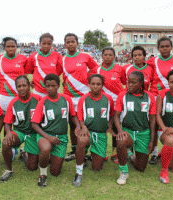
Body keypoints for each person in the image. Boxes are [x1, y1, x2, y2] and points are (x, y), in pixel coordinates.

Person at [31, 74, 81, 187]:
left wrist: (77, 125)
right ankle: (43, 175)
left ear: (58, 86)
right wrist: (49, 137)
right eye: (47, 86)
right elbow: (34, 124)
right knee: (45, 147)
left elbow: (73, 115)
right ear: (45, 87)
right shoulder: (43, 102)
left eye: (53, 85)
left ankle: (48, 157)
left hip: (61, 138)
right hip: (46, 135)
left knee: (55, 172)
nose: (50, 88)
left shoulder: (66, 99)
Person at [113, 71, 156, 185]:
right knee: (121, 139)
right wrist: (120, 131)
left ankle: (129, 154)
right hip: (129, 132)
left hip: (144, 133)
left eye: (133, 82)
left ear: (141, 83)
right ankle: (124, 172)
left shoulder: (150, 97)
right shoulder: (123, 95)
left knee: (140, 168)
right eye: (128, 82)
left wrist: (152, 140)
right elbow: (116, 116)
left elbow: (152, 120)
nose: (129, 85)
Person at [72, 74, 114, 186]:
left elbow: (112, 115)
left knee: (97, 168)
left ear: (102, 85)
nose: (95, 86)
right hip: (87, 133)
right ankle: (79, 172)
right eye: (93, 84)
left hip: (100, 134)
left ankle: (91, 155)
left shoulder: (108, 98)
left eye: (98, 84)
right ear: (89, 85)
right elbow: (80, 117)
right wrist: (83, 126)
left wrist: (109, 126)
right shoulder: (83, 99)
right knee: (81, 141)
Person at [62, 33, 98, 162]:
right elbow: (58, 74)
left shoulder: (85, 56)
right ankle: (74, 149)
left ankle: (87, 150)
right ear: (65, 44)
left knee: (86, 123)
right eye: (68, 42)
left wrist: (89, 77)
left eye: (73, 41)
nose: (70, 44)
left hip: (83, 95)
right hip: (69, 96)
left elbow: (95, 68)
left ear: (77, 43)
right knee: (72, 124)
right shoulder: (63, 59)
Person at [0, 75, 42, 182]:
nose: (22, 88)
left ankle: (24, 152)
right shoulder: (13, 102)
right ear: (16, 88)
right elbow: (7, 123)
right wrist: (8, 133)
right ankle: (9, 170)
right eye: (19, 86)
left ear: (29, 86)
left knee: (32, 167)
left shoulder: (38, 99)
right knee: (6, 143)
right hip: (19, 132)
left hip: (33, 134)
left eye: (24, 85)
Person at [146, 37, 173, 165]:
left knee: (172, 124)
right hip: (156, 97)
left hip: (172, 98)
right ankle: (154, 153)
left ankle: (172, 151)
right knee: (154, 125)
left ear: (171, 47)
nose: (165, 48)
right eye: (162, 46)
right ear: (158, 48)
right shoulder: (152, 61)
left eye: (167, 46)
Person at [0, 37, 28, 159]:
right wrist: (4, 85)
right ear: (4, 47)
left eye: (13, 46)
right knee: (4, 122)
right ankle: (8, 148)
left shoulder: (23, 58)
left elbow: (26, 74)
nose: (11, 48)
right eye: (8, 46)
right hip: (3, 96)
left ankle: (18, 147)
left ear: (16, 47)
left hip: (20, 96)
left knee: (20, 122)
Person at [95, 47, 125, 164]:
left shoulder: (119, 68)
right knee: (102, 128)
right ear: (102, 56)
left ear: (114, 56)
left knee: (116, 128)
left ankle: (115, 152)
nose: (108, 57)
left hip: (118, 103)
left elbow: (123, 82)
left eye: (110, 55)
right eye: (105, 55)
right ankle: (102, 152)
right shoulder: (96, 69)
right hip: (103, 103)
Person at [25, 33, 63, 97]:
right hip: (38, 91)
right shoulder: (33, 56)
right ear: (40, 44)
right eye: (44, 43)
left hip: (54, 90)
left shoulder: (57, 56)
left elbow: (58, 72)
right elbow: (27, 72)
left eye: (49, 44)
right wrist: (29, 83)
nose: (46, 46)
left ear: (52, 44)